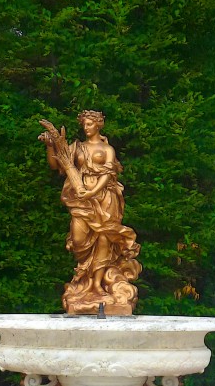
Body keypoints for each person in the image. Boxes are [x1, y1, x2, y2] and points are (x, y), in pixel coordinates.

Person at [39, 110, 141, 314]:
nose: (86, 128)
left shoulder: (107, 149)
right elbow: (57, 164)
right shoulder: (77, 147)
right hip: (81, 198)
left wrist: (92, 192)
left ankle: (96, 285)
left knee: (104, 238)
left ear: (98, 124)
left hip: (105, 197)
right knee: (78, 239)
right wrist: (50, 146)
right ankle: (85, 281)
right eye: (84, 124)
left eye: (89, 124)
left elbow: (109, 174)